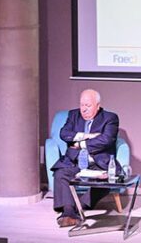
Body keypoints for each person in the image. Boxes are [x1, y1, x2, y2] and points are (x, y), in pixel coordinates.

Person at [51, 89, 120, 228]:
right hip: (74, 161)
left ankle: (77, 208)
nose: (84, 109)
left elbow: (106, 139)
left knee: (107, 180)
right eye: (82, 105)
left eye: (88, 106)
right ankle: (69, 213)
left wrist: (81, 144)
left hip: (99, 163)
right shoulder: (73, 115)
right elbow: (64, 134)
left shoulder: (110, 118)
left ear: (97, 106)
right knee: (60, 174)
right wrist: (86, 135)